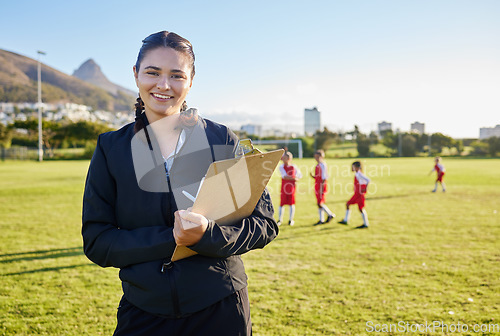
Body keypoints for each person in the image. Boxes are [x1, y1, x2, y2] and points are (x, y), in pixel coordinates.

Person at [82, 31, 278, 336]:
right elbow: (97, 241)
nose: (163, 85)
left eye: (176, 75)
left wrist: (207, 235)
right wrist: (173, 238)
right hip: (144, 312)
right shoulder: (111, 148)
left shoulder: (221, 140)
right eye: (152, 73)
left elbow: (264, 224)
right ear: (135, 75)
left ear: (191, 80)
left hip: (221, 308)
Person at [338, 161, 371, 229]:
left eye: (353, 166)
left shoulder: (359, 174)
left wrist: (365, 188)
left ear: (357, 167)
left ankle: (366, 223)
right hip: (357, 194)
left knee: (360, 208)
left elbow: (368, 180)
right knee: (348, 204)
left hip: (359, 194)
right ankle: (346, 220)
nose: (351, 168)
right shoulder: (357, 174)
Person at [277, 151, 302, 226]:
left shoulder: (294, 166)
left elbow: (300, 175)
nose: (282, 159)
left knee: (291, 203)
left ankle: (291, 220)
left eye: (284, 158)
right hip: (284, 187)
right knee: (282, 203)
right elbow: (284, 176)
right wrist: (294, 178)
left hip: (292, 188)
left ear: (289, 158)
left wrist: (295, 178)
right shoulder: (281, 166)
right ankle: (280, 220)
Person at [311, 149, 335, 224]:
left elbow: (324, 177)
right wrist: (313, 176)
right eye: (315, 157)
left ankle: (330, 214)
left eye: (317, 157)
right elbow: (318, 177)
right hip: (317, 185)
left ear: (321, 157)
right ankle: (321, 219)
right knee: (319, 202)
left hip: (321, 186)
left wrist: (322, 187)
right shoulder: (318, 165)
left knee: (320, 203)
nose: (316, 159)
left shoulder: (323, 165)